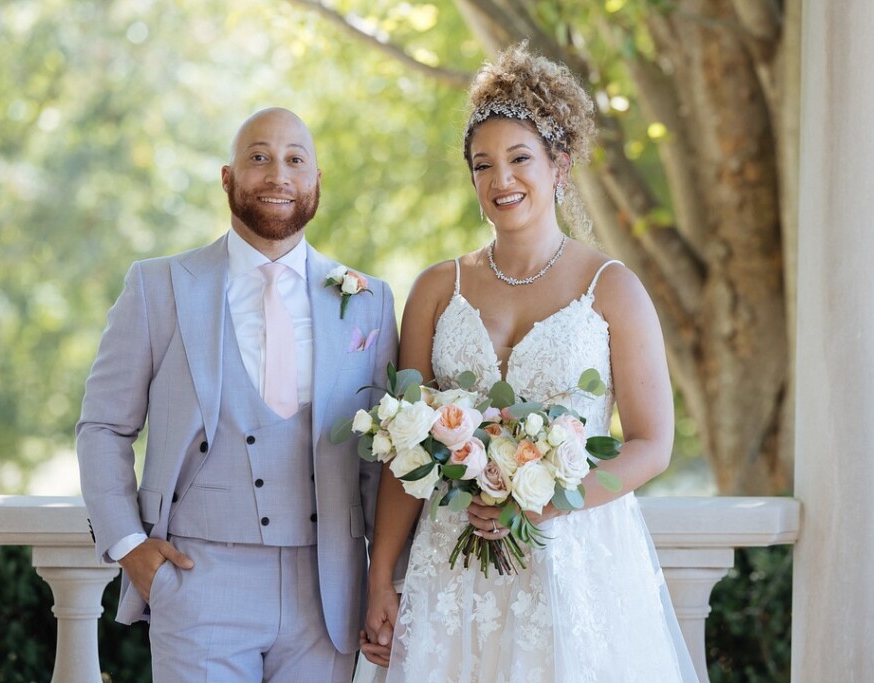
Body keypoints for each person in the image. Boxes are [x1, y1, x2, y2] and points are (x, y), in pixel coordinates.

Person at [358, 45, 698, 682]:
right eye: (483, 165)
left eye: (520, 159)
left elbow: (653, 444)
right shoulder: (437, 289)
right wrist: (381, 581)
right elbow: (403, 454)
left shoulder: (613, 287)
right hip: (451, 568)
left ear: (558, 167)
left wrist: (550, 504)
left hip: (572, 562)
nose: (501, 180)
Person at [76, 107, 398, 682]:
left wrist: (387, 582)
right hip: (199, 580)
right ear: (228, 178)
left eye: (295, 160)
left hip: (327, 590)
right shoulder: (158, 287)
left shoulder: (369, 301)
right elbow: (103, 427)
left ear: (316, 182)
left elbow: (380, 460)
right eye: (259, 158)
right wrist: (130, 546)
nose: (278, 174)